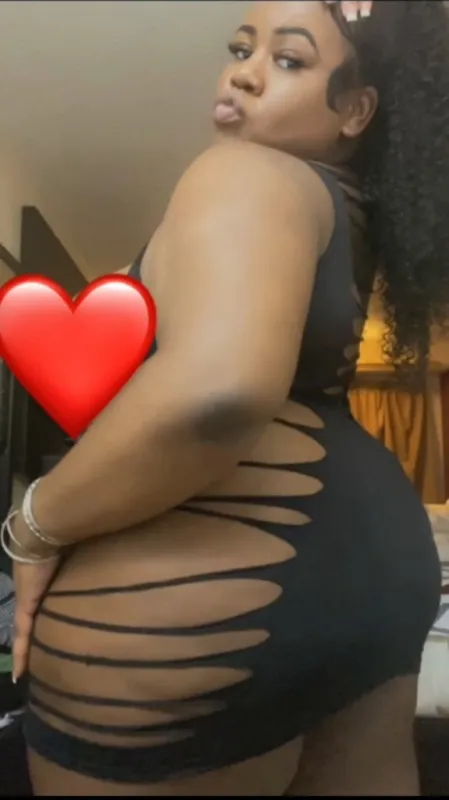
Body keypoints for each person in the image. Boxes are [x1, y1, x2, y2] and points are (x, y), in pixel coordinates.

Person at [2, 0, 448, 794]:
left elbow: (218, 391)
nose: (243, 73)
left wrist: (32, 527)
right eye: (241, 48)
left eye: (289, 59)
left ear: (354, 110)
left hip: (206, 605)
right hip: (375, 572)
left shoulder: (244, 172)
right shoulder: (339, 215)